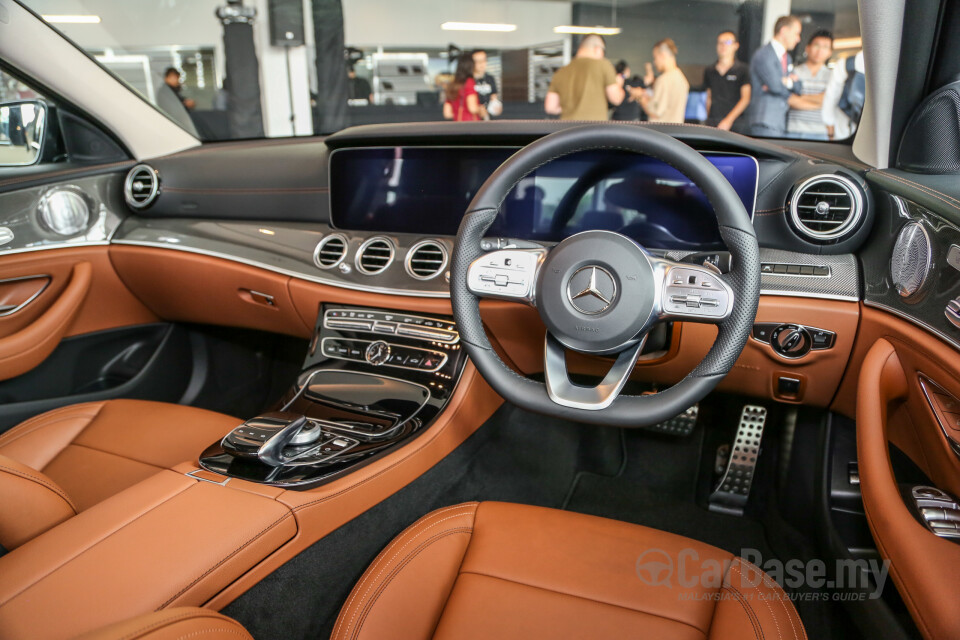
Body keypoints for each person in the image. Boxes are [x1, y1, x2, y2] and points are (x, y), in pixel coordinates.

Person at [544, 34, 624, 120]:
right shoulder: (603, 65)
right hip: (593, 129)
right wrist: (619, 84)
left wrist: (571, 109)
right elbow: (616, 99)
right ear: (598, 49)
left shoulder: (561, 72)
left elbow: (550, 107)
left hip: (567, 130)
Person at [748, 15, 803, 137]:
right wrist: (786, 83)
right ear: (784, 31)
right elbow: (775, 86)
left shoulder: (787, 58)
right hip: (764, 121)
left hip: (779, 122)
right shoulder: (764, 55)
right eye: (796, 34)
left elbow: (799, 87)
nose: (798, 39)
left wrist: (788, 82)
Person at [786, 30, 834, 140]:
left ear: (830, 52)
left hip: (820, 133)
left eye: (825, 47)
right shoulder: (794, 72)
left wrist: (800, 98)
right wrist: (819, 101)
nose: (820, 51)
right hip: (793, 131)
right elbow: (789, 100)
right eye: (817, 45)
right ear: (807, 48)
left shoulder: (832, 76)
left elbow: (829, 100)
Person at [703, 30, 751, 131]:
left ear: (736, 45)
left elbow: (745, 98)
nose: (723, 45)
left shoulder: (743, 70)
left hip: (735, 124)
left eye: (728, 42)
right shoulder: (709, 70)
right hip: (713, 123)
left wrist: (728, 120)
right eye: (720, 42)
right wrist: (708, 119)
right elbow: (708, 97)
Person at [639, 39, 689, 124]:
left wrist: (640, 97)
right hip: (675, 133)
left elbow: (655, 112)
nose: (654, 62)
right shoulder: (682, 79)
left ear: (662, 55)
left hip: (660, 133)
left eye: (655, 58)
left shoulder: (664, 80)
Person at [822, 50, 865, 140]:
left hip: (846, 127)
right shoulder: (847, 65)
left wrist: (830, 129)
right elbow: (831, 97)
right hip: (847, 124)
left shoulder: (847, 64)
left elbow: (831, 97)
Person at [443, 54, 483, 121]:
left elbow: (447, 114)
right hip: (471, 126)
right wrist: (481, 109)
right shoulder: (469, 82)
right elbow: (472, 108)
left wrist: (457, 113)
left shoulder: (452, 85)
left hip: (457, 126)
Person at [471, 50, 501, 118]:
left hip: (487, 118)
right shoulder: (469, 80)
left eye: (484, 60)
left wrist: (496, 107)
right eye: (478, 61)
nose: (481, 63)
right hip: (472, 118)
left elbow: (494, 97)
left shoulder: (490, 78)